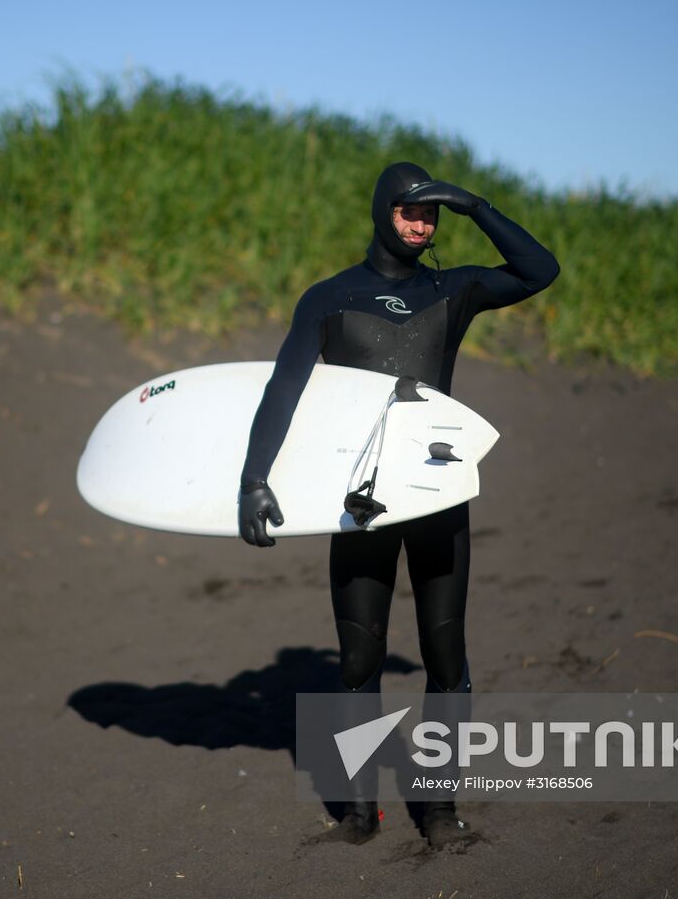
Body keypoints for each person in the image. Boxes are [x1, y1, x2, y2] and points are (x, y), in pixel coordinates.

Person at [237, 161, 559, 847]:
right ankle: (359, 810)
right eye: (409, 212)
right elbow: (283, 390)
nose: (421, 224)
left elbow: (540, 270)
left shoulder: (454, 288)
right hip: (361, 504)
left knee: (446, 658)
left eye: (431, 215)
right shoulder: (328, 299)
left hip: (437, 494)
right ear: (382, 212)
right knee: (357, 662)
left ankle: (439, 810)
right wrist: (254, 477)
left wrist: (476, 206)